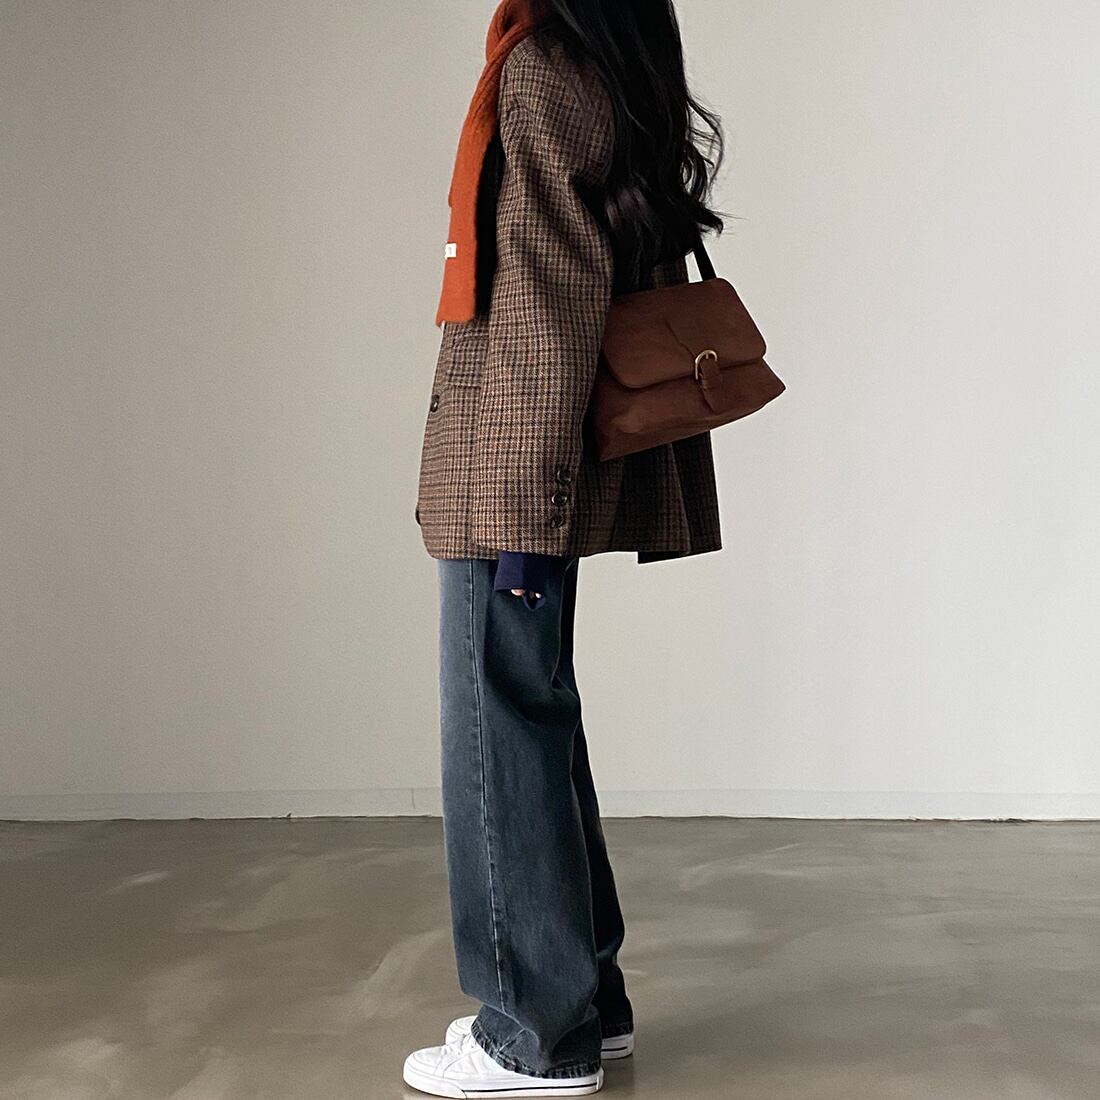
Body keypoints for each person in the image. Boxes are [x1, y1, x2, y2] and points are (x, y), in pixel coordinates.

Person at [406, 0, 726, 1094]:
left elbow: (548, 296)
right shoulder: (606, 55)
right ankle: (591, 995)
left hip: (513, 453)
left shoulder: (542, 66)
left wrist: (524, 507)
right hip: (537, 444)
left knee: (496, 722)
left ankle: (532, 1033)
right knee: (533, 709)